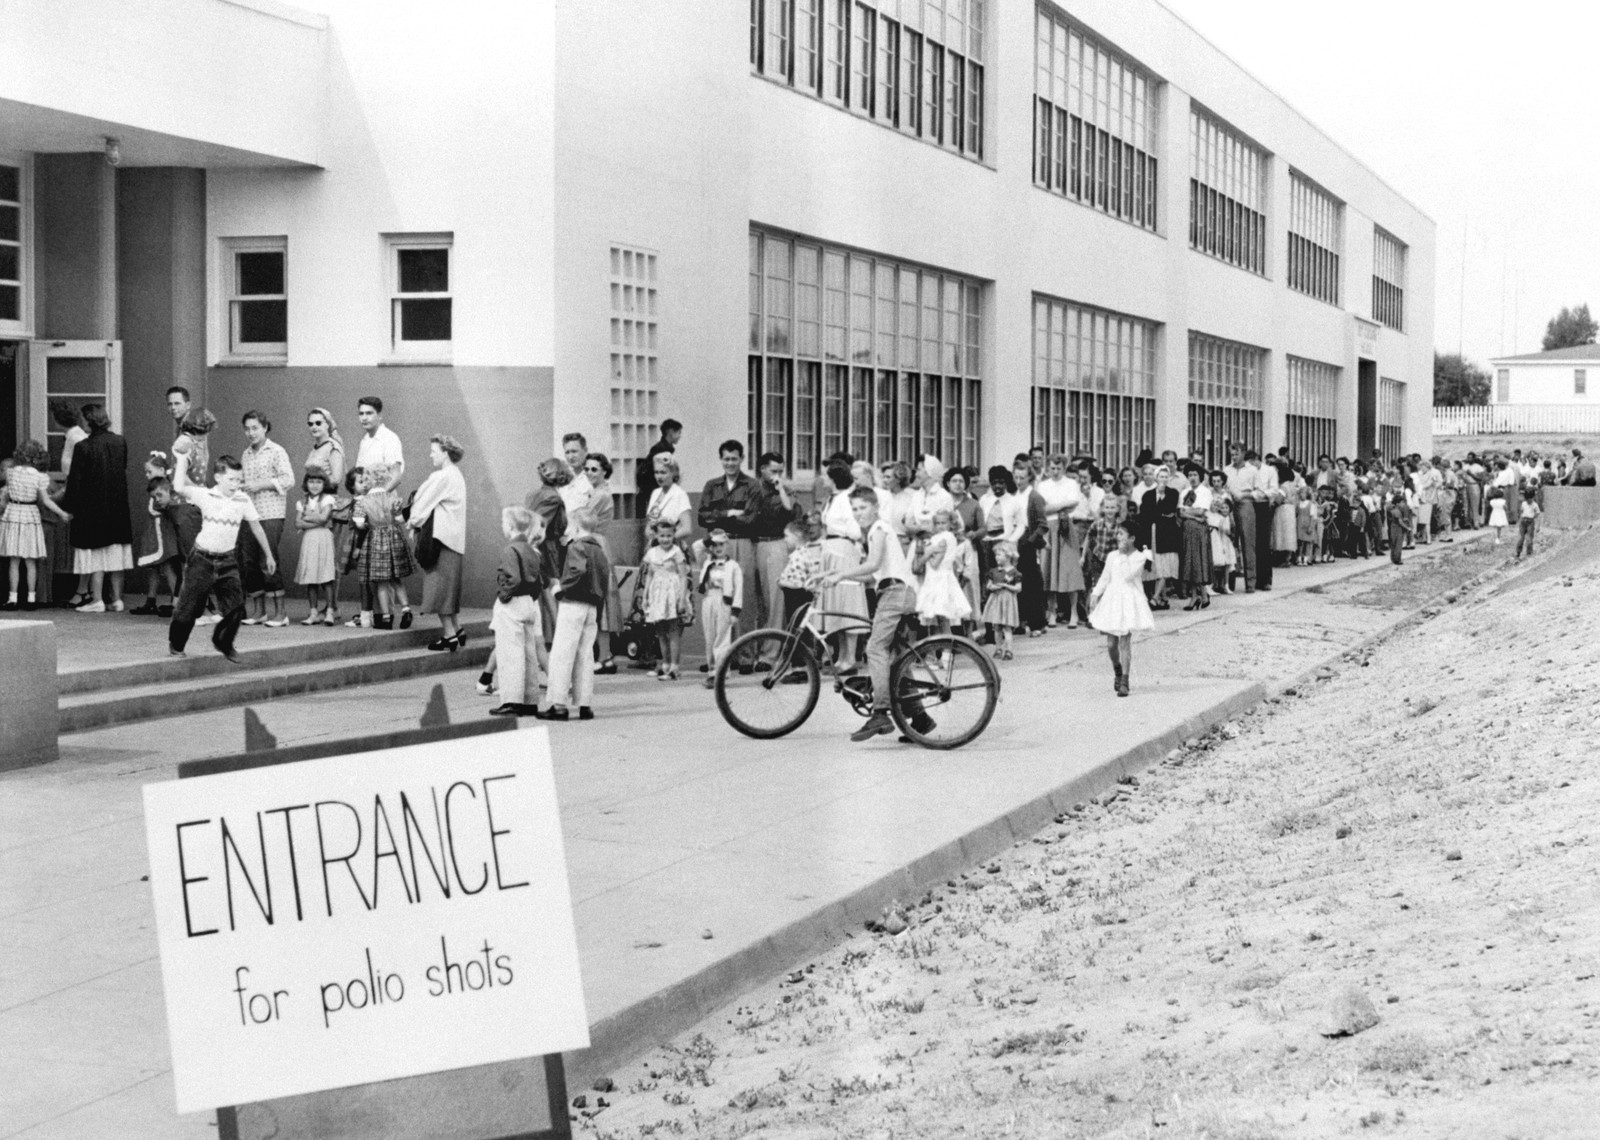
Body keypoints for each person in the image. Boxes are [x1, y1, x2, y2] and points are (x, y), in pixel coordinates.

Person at [819, 485, 920, 743]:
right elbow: (873, 573)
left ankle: (880, 712)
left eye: (863, 508)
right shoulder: (876, 531)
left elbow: (873, 564)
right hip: (897, 590)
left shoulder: (878, 529)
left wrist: (842, 573)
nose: (858, 513)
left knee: (875, 649)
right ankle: (919, 717)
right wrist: (833, 577)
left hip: (895, 593)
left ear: (875, 507)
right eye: (854, 509)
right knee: (897, 654)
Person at [167, 448, 273, 662]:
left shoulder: (243, 499)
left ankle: (223, 642)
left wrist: (269, 555)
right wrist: (181, 460)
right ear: (218, 477)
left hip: (227, 560)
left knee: (236, 608)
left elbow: (257, 527)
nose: (236, 483)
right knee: (188, 608)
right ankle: (176, 644)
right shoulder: (205, 494)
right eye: (232, 479)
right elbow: (178, 486)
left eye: (239, 479)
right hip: (202, 559)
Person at [537, 505, 611, 721]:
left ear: (577, 527)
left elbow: (577, 570)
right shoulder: (599, 550)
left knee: (562, 653)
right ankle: (585, 703)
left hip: (573, 604)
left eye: (570, 525)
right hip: (592, 607)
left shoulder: (577, 547)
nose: (567, 530)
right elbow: (604, 578)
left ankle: (559, 704)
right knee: (585, 655)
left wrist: (561, 587)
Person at [61, 403, 133, 612]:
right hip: (117, 507)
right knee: (116, 555)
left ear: (89, 420)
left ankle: (97, 600)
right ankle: (117, 599)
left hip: (92, 509)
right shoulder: (120, 442)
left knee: (96, 557)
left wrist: (68, 508)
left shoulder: (83, 447)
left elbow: (76, 483)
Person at [406, 434, 468, 651]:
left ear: (445, 452)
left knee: (439, 589)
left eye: (434, 450)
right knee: (448, 589)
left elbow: (422, 502)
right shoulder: (456, 475)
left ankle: (450, 635)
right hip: (453, 541)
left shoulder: (442, 477)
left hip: (442, 541)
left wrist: (412, 523)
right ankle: (456, 629)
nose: (431, 454)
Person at [354, 397, 411, 626]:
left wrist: (378, 497)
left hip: (382, 511)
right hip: (367, 509)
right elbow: (359, 475)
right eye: (361, 413)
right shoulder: (363, 442)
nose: (364, 418)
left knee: (387, 567)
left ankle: (389, 613)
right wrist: (361, 498)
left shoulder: (390, 439)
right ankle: (376, 614)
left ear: (380, 415)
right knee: (375, 568)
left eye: (369, 413)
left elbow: (396, 474)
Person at [488, 507, 546, 718]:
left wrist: (503, 595)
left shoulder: (510, 550)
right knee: (529, 654)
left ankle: (512, 700)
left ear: (510, 526)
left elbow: (512, 577)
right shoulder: (531, 550)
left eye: (504, 523)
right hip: (529, 602)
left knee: (510, 653)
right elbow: (540, 579)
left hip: (512, 603)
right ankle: (530, 701)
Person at [697, 440, 760, 636]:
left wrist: (718, 517)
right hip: (717, 544)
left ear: (742, 459)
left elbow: (750, 519)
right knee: (717, 593)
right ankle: (721, 654)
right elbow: (702, 517)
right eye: (726, 459)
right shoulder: (712, 485)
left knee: (743, 595)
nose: (730, 463)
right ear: (721, 459)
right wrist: (730, 513)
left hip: (742, 542)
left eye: (734, 459)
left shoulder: (752, 485)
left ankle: (745, 656)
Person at [238, 411, 294, 627]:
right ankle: (258, 611)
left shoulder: (276, 451)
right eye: (247, 429)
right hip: (249, 514)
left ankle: (280, 613)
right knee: (249, 561)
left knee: (267, 560)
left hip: (271, 513)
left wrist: (261, 484)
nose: (251, 433)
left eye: (255, 428)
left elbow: (288, 479)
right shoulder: (246, 454)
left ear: (265, 428)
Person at [1, 440, 71, 610]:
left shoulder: (10, 473)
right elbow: (45, 500)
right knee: (31, 561)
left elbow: (6, 495)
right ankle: (32, 598)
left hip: (13, 513)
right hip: (31, 514)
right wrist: (62, 513)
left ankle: (13, 598)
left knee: (14, 561)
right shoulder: (40, 477)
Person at [1088, 520, 1154, 698]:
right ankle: (1117, 670)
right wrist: (1096, 594)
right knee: (1111, 643)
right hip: (1112, 599)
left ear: (1131, 538)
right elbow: (1105, 577)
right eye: (1117, 533)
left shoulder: (1140, 557)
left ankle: (1125, 680)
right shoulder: (1111, 556)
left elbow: (1128, 575)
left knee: (1125, 640)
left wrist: (1124, 555)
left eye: (1121, 534)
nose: (1117, 537)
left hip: (1129, 600)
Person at [749, 450, 802, 650]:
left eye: (780, 470)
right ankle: (753, 648)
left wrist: (781, 489)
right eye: (773, 471)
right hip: (754, 544)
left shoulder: (786, 491)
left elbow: (791, 512)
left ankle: (771, 652)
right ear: (762, 469)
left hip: (775, 544)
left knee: (775, 601)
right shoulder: (752, 489)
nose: (777, 475)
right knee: (756, 601)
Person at [819, 460, 869, 670]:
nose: (822, 478)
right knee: (836, 605)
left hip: (843, 552)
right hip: (831, 550)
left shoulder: (844, 500)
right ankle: (841, 657)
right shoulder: (833, 499)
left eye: (825, 475)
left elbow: (855, 530)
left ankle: (850, 658)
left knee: (847, 602)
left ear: (833, 478)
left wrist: (842, 533)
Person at [352, 463, 413, 630]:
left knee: (381, 582)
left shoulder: (362, 501)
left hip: (376, 539)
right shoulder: (392, 497)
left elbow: (358, 523)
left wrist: (366, 524)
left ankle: (386, 618)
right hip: (393, 537)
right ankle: (406, 609)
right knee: (396, 579)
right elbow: (400, 519)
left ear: (369, 480)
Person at [580, 452, 622, 674]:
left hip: (596, 544)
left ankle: (605, 656)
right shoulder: (595, 492)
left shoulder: (601, 495)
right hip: (593, 543)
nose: (588, 473)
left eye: (594, 469)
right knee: (596, 602)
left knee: (601, 602)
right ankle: (603, 654)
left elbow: (580, 517)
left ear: (605, 471)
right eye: (586, 469)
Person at [1035, 454, 1085, 628]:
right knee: (1049, 569)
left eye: (1058, 468)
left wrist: (1053, 507)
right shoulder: (1042, 485)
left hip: (1066, 527)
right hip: (1048, 529)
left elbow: (1074, 503)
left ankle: (1073, 612)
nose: (1055, 471)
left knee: (1069, 569)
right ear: (1047, 469)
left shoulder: (1071, 484)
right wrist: (1061, 505)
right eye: (1052, 468)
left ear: (1064, 468)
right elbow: (1041, 509)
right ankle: (1052, 611)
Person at [638, 517, 692, 680]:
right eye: (662, 536)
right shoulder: (652, 553)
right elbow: (649, 575)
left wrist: (682, 598)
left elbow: (683, 576)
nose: (665, 539)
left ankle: (675, 666)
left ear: (673, 535)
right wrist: (646, 595)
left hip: (672, 593)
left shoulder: (676, 552)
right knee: (661, 631)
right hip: (658, 594)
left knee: (673, 631)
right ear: (656, 536)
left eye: (669, 536)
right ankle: (665, 663)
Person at [132, 451, 178, 615]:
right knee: (154, 567)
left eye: (149, 471)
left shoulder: (165, 487)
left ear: (161, 469)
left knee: (166, 566)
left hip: (162, 533)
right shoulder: (156, 487)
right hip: (154, 531)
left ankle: (177, 603)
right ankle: (150, 600)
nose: (147, 475)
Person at [697, 529, 744, 687]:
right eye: (714, 545)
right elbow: (696, 547)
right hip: (709, 599)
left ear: (727, 544)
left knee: (722, 638)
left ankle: (721, 672)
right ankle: (712, 672)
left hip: (724, 602)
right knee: (710, 637)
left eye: (721, 544)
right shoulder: (707, 561)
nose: (718, 548)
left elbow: (738, 589)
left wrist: (735, 610)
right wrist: (707, 540)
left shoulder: (733, 566)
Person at [293, 466, 338, 625]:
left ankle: (330, 612)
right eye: (311, 482)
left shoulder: (328, 499)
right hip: (309, 540)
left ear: (323, 483)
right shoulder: (301, 501)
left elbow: (324, 518)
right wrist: (316, 519)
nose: (315, 485)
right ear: (306, 483)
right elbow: (297, 522)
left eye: (318, 482)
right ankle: (313, 612)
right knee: (310, 577)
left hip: (324, 538)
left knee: (326, 576)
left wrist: (308, 518)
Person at [916, 508, 971, 638]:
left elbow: (935, 564)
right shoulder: (936, 538)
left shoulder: (946, 537)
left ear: (951, 524)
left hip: (940, 579)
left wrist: (927, 552)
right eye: (938, 523)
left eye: (944, 523)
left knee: (943, 618)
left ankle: (947, 651)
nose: (940, 526)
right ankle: (936, 651)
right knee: (936, 619)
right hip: (933, 578)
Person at [776, 515, 824, 628]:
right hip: (798, 599)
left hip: (797, 600)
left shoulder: (798, 556)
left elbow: (797, 584)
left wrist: (781, 583)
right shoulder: (803, 553)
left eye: (787, 536)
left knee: (796, 627)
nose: (785, 539)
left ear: (797, 535)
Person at [1177, 466, 1213, 610]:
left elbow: (1201, 511)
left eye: (1195, 474)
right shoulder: (1184, 493)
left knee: (1198, 561)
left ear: (1201, 476)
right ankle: (1197, 596)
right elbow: (1181, 513)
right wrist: (1194, 516)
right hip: (1187, 529)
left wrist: (1190, 513)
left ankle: (1199, 596)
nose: (1192, 477)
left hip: (1199, 531)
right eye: (1190, 474)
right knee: (1189, 562)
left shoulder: (1205, 492)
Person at [982, 541, 1021, 660]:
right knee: (997, 627)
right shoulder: (994, 572)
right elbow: (989, 585)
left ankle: (1009, 650)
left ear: (1008, 556)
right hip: (996, 600)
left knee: (1007, 627)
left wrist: (1007, 586)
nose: (996, 557)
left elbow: (1018, 588)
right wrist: (994, 587)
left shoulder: (1014, 572)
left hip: (1008, 601)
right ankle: (998, 648)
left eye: (999, 555)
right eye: (996, 555)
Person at [635, 418, 682, 518]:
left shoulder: (664, 448)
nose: (680, 436)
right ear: (671, 433)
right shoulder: (660, 449)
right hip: (652, 488)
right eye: (679, 432)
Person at [646, 453, 694, 545]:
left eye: (663, 472)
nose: (659, 477)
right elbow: (649, 524)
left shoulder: (680, 494)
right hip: (654, 548)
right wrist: (649, 533)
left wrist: (665, 539)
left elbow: (687, 529)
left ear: (673, 473)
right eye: (656, 472)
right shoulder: (655, 493)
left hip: (673, 547)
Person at [559, 432, 594, 538]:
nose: (570, 456)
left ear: (585, 451)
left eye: (574, 451)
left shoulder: (592, 479)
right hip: (564, 539)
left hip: (583, 539)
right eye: (567, 452)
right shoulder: (563, 480)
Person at [1206, 470, 1235, 593]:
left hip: (1224, 526)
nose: (1216, 483)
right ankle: (1212, 584)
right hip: (1213, 525)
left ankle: (1223, 584)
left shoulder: (1226, 495)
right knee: (1214, 557)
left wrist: (1232, 524)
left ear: (1223, 481)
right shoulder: (1209, 493)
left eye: (1218, 481)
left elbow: (1230, 510)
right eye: (1214, 481)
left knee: (1225, 557)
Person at [1385, 482, 1414, 565]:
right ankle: (1397, 559)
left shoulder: (1392, 510)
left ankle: (1393, 558)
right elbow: (1400, 522)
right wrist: (1407, 528)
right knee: (1398, 544)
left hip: (1393, 528)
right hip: (1397, 529)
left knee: (1393, 544)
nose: (1403, 504)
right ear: (1397, 503)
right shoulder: (1397, 512)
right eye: (1402, 503)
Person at [1513, 487, 1540, 560]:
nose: (1528, 501)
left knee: (1529, 538)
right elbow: (1521, 511)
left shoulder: (1535, 505)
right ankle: (1518, 552)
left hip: (1530, 522)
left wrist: (1538, 525)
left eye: (1530, 499)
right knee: (1520, 538)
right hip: (1523, 522)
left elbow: (1537, 515)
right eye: (1527, 499)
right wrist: (1519, 519)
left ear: (1533, 497)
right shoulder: (1524, 503)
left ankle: (1529, 552)